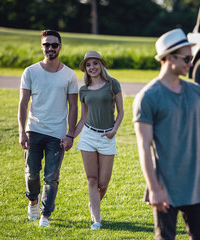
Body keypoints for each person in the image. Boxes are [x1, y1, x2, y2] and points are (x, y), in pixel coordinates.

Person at [133, 28, 200, 240]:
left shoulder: (196, 92)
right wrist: (154, 188)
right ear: (168, 58)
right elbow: (143, 146)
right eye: (187, 58)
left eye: (192, 58)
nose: (191, 63)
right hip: (164, 187)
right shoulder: (147, 97)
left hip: (198, 186)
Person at [18, 30, 78, 227]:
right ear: (41, 46)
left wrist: (70, 134)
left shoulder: (69, 75)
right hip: (33, 130)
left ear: (60, 47)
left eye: (54, 45)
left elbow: (74, 106)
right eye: (46, 44)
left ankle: (45, 215)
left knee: (51, 177)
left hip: (57, 134)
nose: (50, 48)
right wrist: (22, 131)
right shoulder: (30, 72)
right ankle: (33, 202)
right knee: (32, 173)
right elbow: (23, 103)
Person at [72, 50, 124, 230]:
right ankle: (96, 218)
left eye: (95, 63)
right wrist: (71, 136)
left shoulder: (112, 84)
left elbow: (121, 112)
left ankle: (93, 204)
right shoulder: (84, 90)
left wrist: (114, 131)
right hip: (88, 137)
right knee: (92, 180)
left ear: (101, 65)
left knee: (103, 183)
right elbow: (83, 117)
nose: (92, 67)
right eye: (88, 65)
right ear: (85, 69)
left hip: (107, 137)